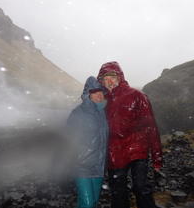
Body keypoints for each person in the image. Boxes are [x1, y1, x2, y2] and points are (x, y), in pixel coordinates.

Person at [97, 61, 163, 208]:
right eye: (104, 78)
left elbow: (150, 127)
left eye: (112, 77)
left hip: (137, 149)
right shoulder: (102, 101)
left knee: (141, 188)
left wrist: (157, 157)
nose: (109, 81)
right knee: (118, 192)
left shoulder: (137, 95)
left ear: (120, 77)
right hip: (115, 152)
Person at [66, 76, 108, 208]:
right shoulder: (78, 113)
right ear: (88, 94)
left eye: (100, 91)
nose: (99, 95)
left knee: (93, 201)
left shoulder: (103, 113)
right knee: (88, 204)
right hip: (82, 166)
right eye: (95, 92)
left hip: (99, 166)